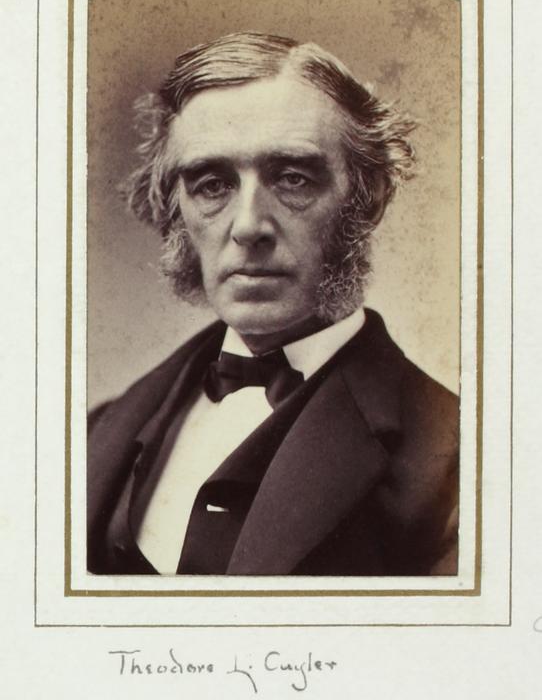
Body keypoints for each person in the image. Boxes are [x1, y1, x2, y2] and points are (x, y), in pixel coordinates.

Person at [87, 31, 458, 577]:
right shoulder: (95, 433)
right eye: (212, 184)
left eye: (292, 178)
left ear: (369, 197)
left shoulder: (461, 462)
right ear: (173, 205)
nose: (247, 226)